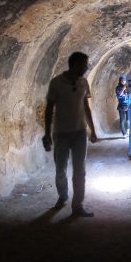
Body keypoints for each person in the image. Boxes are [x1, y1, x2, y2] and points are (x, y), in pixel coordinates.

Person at [42, 52, 98, 217]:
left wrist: (92, 130)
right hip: (61, 133)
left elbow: (86, 107)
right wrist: (47, 133)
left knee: (80, 170)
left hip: (80, 132)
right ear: (75, 64)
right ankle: (63, 195)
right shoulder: (57, 83)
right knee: (61, 169)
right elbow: (49, 108)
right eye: (84, 64)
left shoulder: (83, 82)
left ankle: (77, 204)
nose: (86, 67)